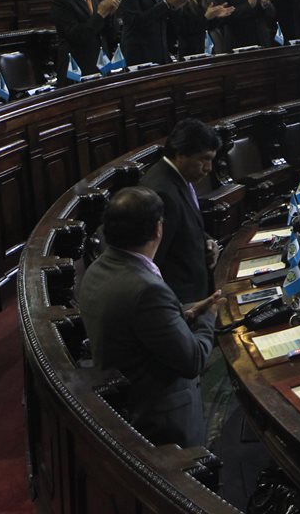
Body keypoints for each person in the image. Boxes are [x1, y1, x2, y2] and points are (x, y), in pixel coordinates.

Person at [78, 186, 221, 450]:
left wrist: (185, 314)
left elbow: (136, 326)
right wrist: (209, 316)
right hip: (160, 421)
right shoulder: (147, 289)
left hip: (125, 404)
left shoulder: (98, 268)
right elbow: (193, 360)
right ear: (158, 229)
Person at [139, 119, 222, 304]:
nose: (208, 168)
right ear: (180, 154)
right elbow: (154, 260)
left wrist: (207, 241)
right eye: (204, 159)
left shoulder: (178, 179)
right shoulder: (161, 192)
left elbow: (184, 226)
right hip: (181, 302)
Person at [51, 0, 120, 76]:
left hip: (101, 64)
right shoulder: (62, 1)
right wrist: (100, 14)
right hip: (77, 67)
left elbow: (111, 34)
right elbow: (77, 35)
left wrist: (110, 14)